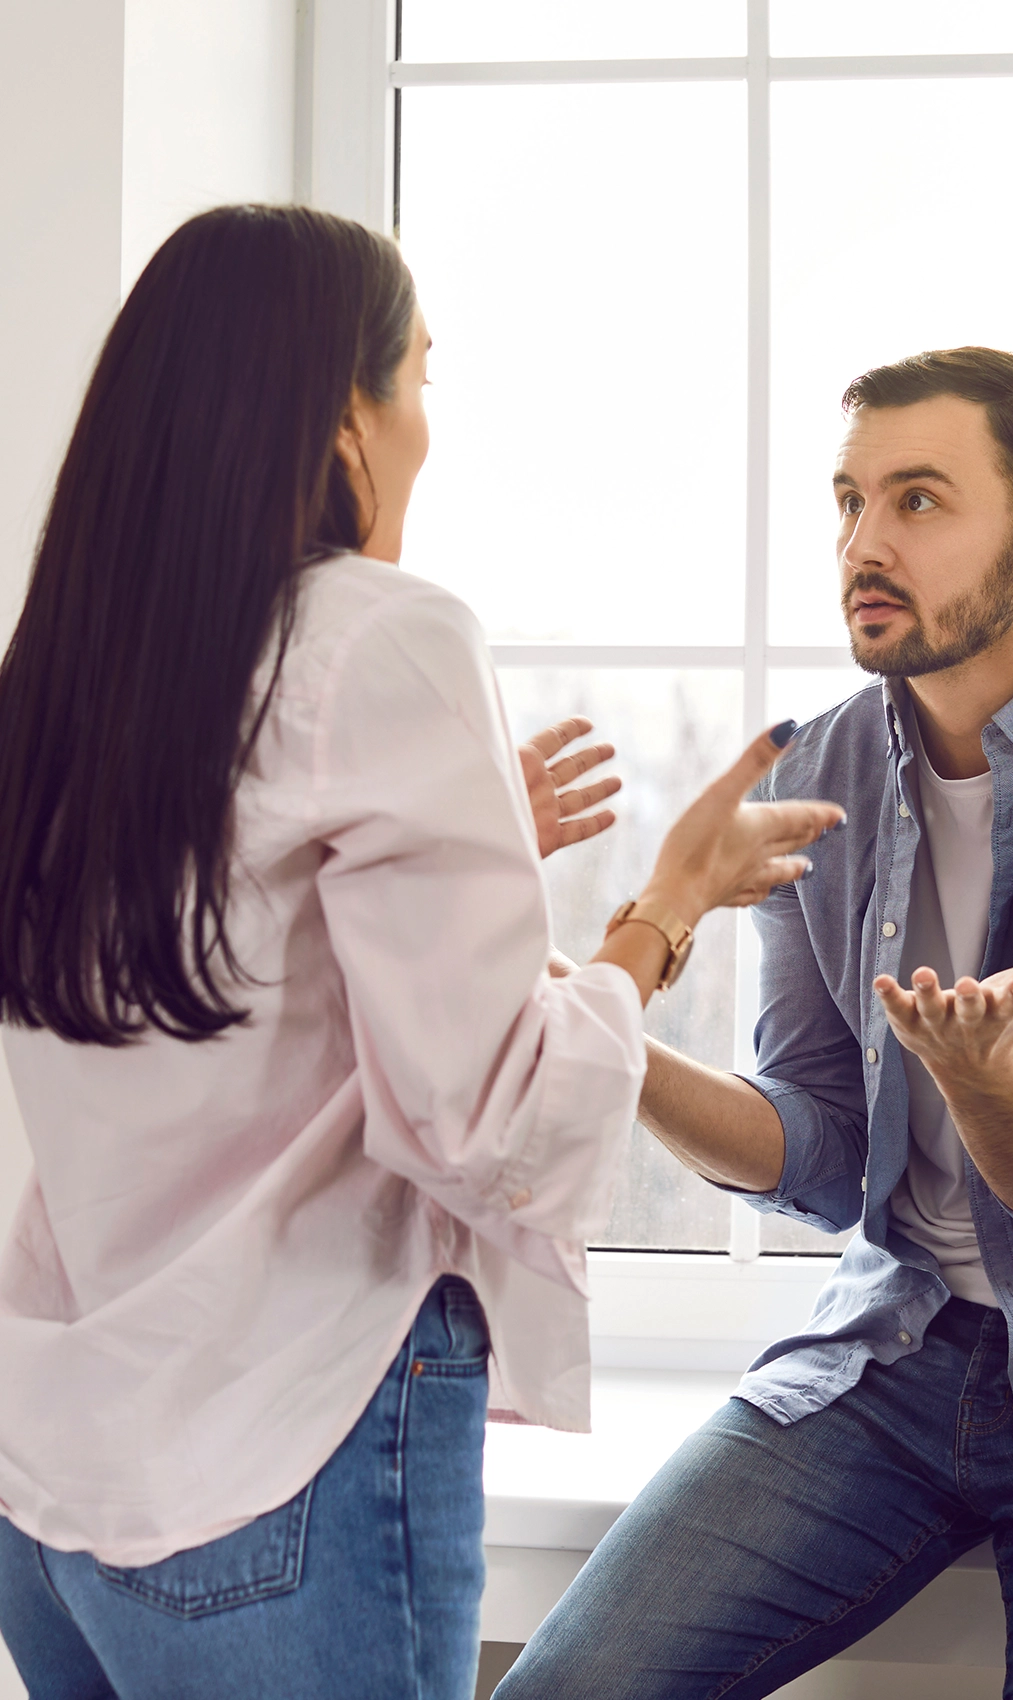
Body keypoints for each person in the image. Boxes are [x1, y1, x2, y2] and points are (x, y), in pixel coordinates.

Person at [0, 204, 843, 1700]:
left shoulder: (71, 668)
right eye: (423, 380)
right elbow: (492, 1127)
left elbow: (208, 964)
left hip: (55, 1479)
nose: (428, 430)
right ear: (346, 421)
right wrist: (665, 910)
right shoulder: (380, 635)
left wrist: (469, 841)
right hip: (276, 1457)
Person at [496, 347, 1013, 1700]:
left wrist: (984, 1084)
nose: (865, 542)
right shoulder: (822, 770)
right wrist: (598, 1026)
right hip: (896, 1354)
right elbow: (815, 1151)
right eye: (850, 500)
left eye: (919, 500)